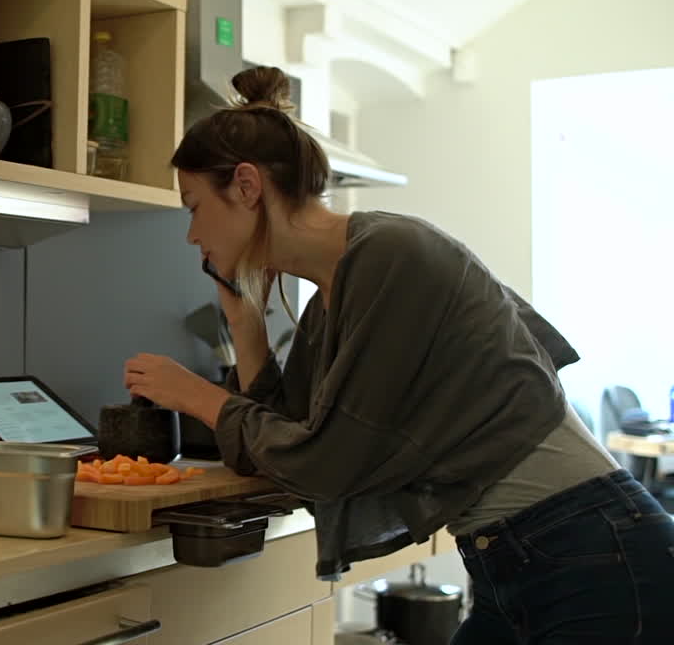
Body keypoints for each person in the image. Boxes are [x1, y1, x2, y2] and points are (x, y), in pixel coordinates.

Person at [123, 66, 674, 643]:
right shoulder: (332, 299)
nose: (191, 235)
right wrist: (247, 323)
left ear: (246, 186)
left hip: (593, 551)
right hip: (521, 558)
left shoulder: (390, 254)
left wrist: (198, 396)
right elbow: (284, 444)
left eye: (193, 207)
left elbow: (324, 462)